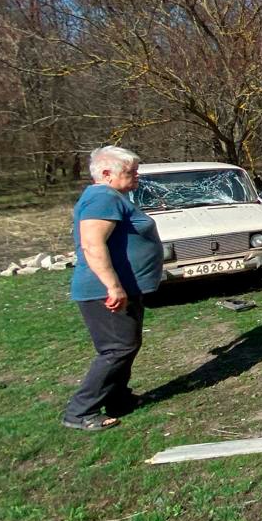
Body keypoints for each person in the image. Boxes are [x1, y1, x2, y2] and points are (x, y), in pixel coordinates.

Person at [63, 146, 164, 431]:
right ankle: (80, 411)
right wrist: (113, 286)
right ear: (106, 174)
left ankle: (118, 398)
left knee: (125, 345)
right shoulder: (101, 198)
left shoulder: (110, 197)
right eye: (130, 172)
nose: (137, 177)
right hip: (103, 290)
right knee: (117, 348)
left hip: (122, 287)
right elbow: (92, 245)